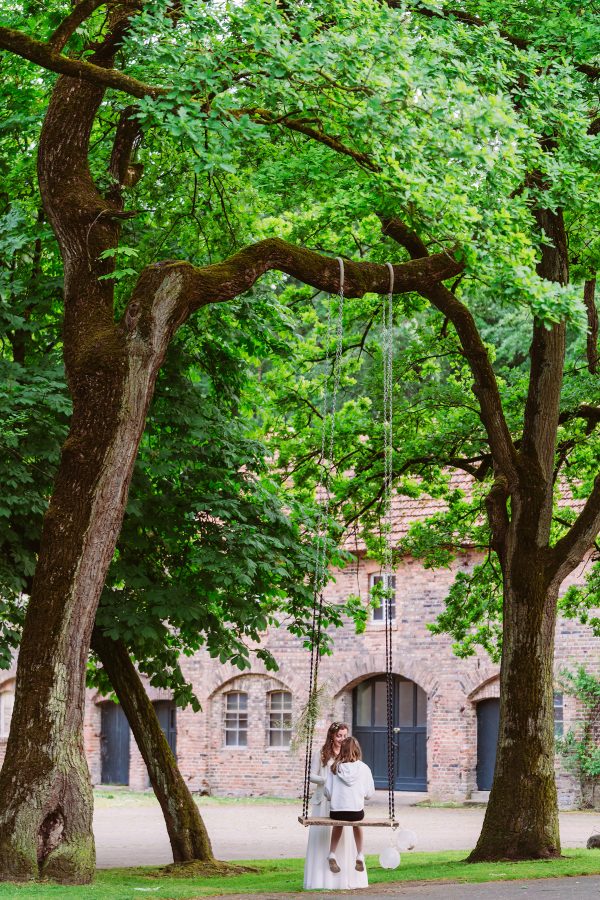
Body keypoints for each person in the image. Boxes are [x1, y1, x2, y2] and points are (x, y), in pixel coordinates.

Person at [303, 721, 367, 890]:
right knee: (322, 836)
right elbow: (310, 775)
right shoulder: (322, 753)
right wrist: (328, 780)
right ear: (332, 736)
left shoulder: (348, 755)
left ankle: (344, 879)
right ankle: (320, 879)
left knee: (344, 832)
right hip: (325, 799)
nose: (342, 739)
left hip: (342, 802)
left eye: (345, 736)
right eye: (339, 736)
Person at [324, 736, 375, 878]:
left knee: (338, 823)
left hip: (337, 813)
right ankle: (359, 855)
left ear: (342, 750)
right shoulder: (364, 768)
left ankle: (332, 853)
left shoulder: (334, 767)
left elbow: (327, 793)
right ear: (357, 750)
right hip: (356, 813)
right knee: (356, 822)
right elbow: (370, 794)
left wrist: (337, 797)